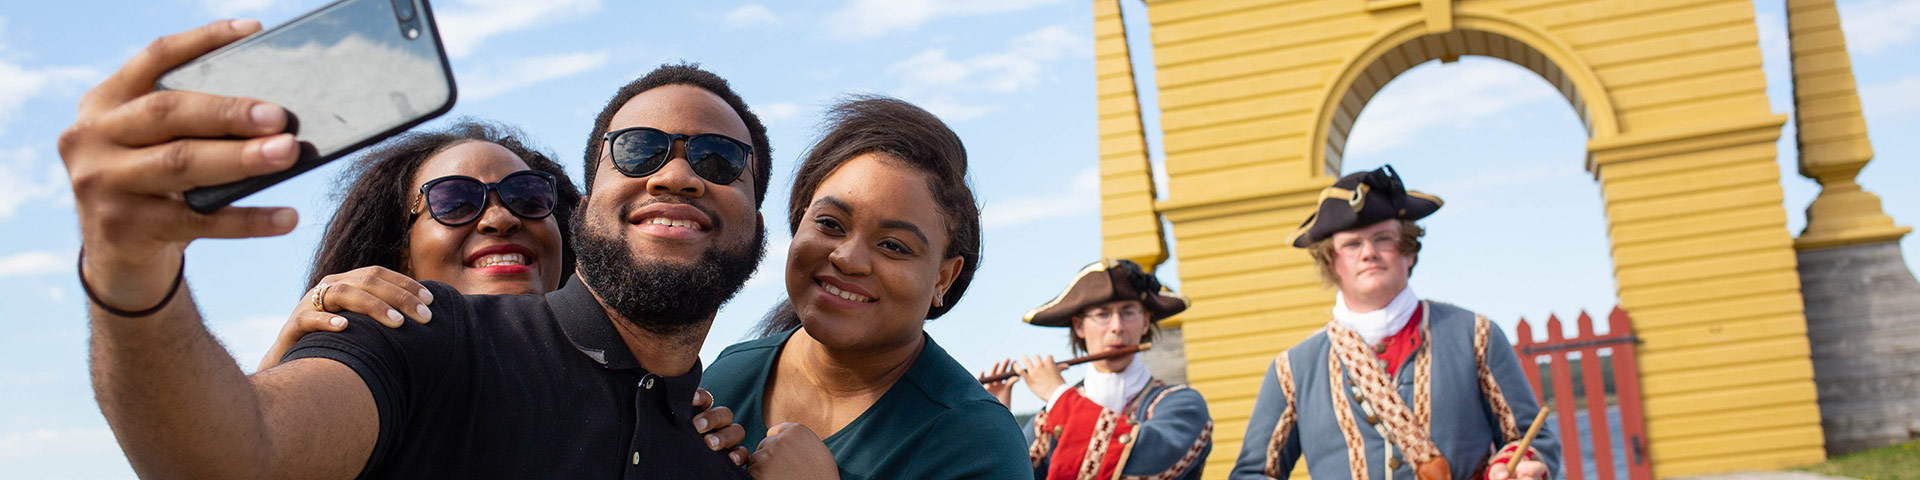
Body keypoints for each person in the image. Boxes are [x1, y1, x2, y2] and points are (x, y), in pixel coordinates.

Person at [61, 19, 828, 479]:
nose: (678, 174)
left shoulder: (716, 453)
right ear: (591, 202)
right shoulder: (420, 338)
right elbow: (242, 455)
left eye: (722, 163)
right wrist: (131, 272)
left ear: (758, 219)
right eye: (637, 150)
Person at [244, 119, 749, 464]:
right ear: (400, 252)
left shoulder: (671, 404)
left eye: (529, 197)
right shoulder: (385, 349)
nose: (501, 217)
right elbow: (246, 451)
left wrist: (674, 425)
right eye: (455, 200)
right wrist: (283, 362)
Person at [700, 96, 1031, 479]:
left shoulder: (978, 443)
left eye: (893, 246)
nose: (848, 258)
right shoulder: (728, 376)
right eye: (830, 223)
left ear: (944, 278)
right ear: (798, 218)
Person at [1229, 166, 1559, 480]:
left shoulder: (1475, 335)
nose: (1369, 252)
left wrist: (1515, 468)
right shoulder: (1292, 370)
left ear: (1408, 252)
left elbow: (1531, 440)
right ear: (1331, 262)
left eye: (1383, 238)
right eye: (1352, 244)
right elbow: (1254, 473)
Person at [981, 258, 1213, 480]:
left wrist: (1059, 396)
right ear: (1079, 326)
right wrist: (998, 424)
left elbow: (1152, 462)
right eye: (1103, 314)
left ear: (1145, 321)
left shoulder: (1183, 404)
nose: (1117, 327)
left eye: (1128, 312)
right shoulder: (1047, 420)